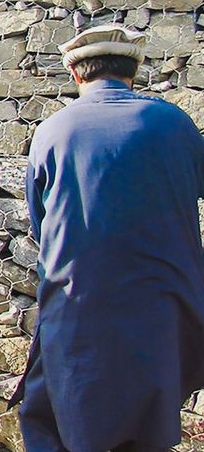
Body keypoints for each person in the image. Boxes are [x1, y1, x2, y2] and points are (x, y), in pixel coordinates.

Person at [18, 24, 204, 452]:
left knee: (65, 421)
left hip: (80, 307)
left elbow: (41, 222)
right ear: (133, 74)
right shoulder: (176, 123)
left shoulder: (55, 131)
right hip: (165, 308)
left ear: (76, 75)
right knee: (148, 425)